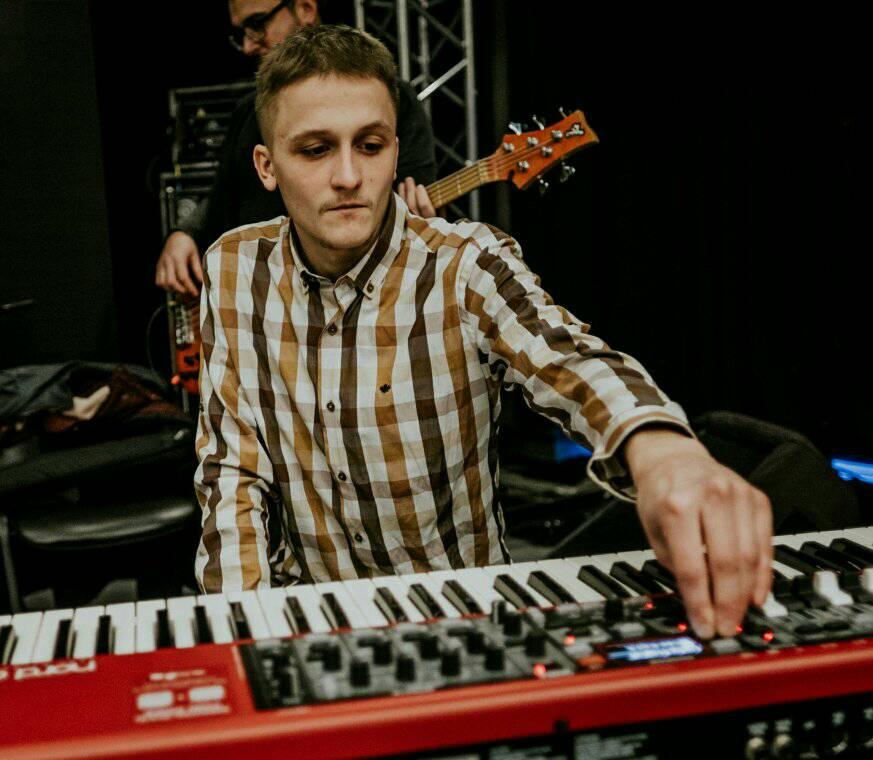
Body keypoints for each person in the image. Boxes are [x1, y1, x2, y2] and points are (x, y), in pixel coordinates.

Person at [194, 25, 773, 641]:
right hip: (310, 623)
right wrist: (243, 628)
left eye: (370, 145)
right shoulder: (234, 268)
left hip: (462, 620)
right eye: (315, 150)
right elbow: (232, 471)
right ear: (266, 166)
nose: (348, 175)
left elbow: (565, 355)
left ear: (396, 150)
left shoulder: (465, 262)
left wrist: (661, 449)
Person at [155, 0, 437, 298]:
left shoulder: (390, 101)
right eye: (315, 150)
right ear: (265, 165)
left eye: (257, 24)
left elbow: (413, 206)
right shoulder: (247, 113)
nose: (248, 46)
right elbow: (222, 197)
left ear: (305, 8)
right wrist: (186, 233)